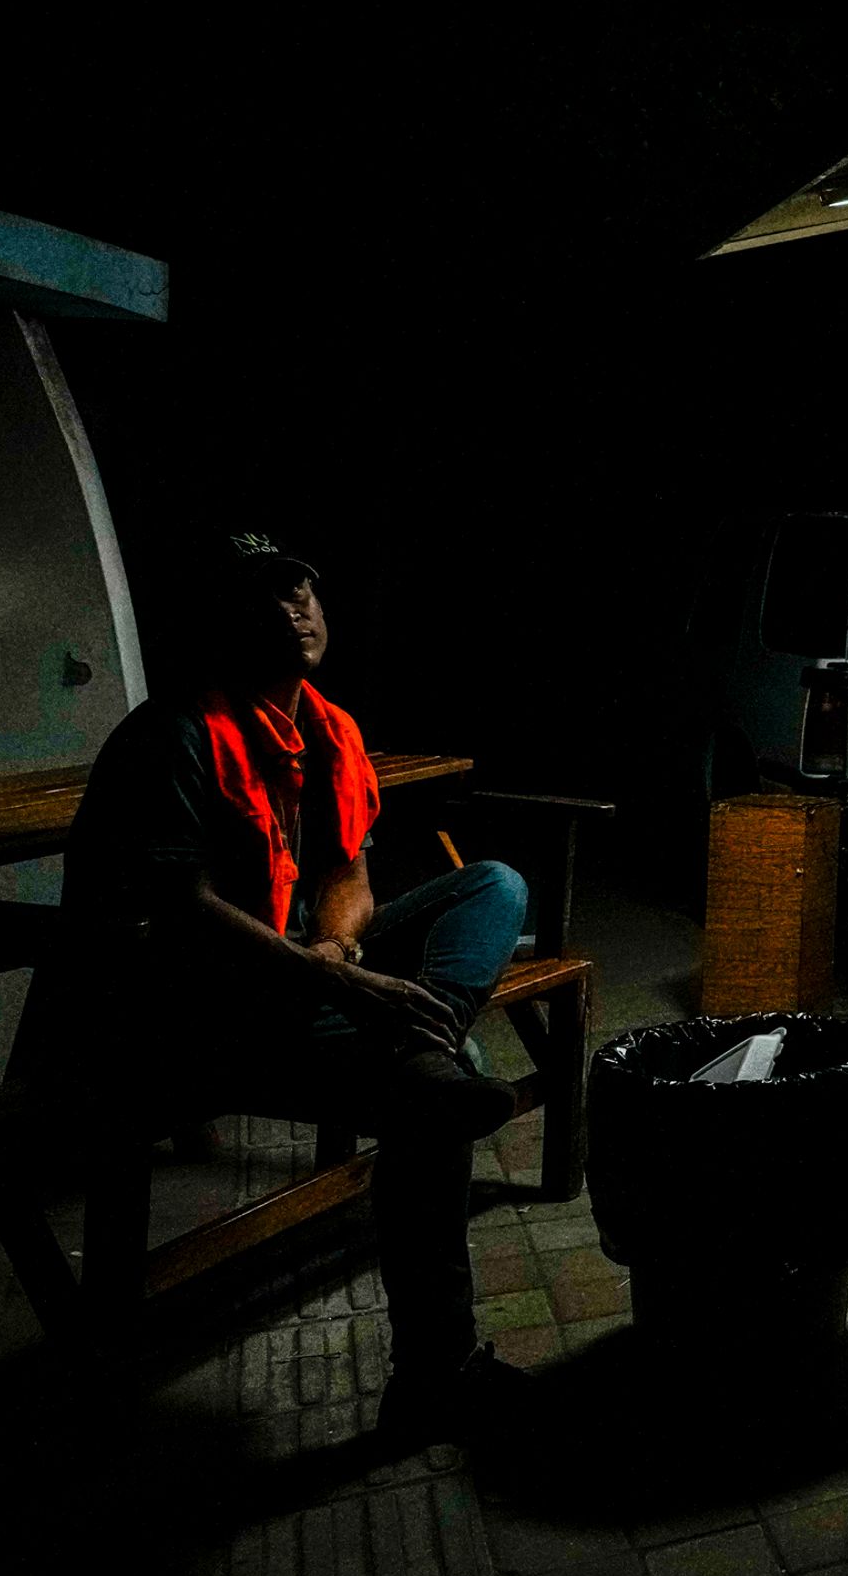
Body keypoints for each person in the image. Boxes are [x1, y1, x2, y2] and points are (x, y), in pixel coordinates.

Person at [60, 531, 533, 1446]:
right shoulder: (177, 734)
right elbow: (182, 907)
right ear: (224, 622)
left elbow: (348, 871)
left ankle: (421, 1049)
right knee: (442, 1090)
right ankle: (436, 1374)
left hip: (296, 973)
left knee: (496, 885)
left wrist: (335, 945)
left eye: (305, 589)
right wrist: (331, 978)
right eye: (269, 594)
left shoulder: (327, 729)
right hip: (191, 1002)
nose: (298, 607)